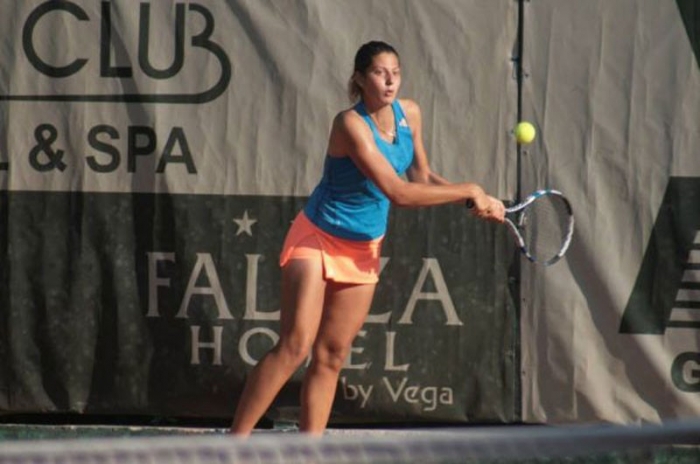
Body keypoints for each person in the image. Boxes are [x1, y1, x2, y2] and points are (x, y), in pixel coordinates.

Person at [230, 40, 505, 436]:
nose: (390, 80)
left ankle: (308, 453)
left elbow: (421, 177)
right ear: (359, 79)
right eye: (379, 72)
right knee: (295, 346)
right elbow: (398, 192)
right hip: (317, 237)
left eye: (396, 72)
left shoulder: (410, 114)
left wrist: (478, 199)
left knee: (332, 354)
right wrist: (470, 189)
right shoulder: (349, 124)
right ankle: (233, 447)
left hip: (363, 248)